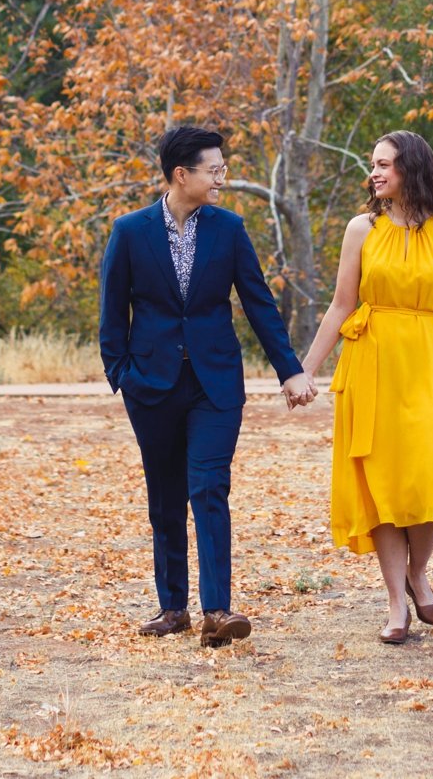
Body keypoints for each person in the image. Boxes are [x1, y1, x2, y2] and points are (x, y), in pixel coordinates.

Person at [98, 125, 316, 646]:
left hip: (216, 386)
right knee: (165, 497)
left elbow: (259, 303)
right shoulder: (129, 232)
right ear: (181, 174)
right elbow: (112, 312)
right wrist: (122, 375)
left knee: (209, 488)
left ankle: (217, 610)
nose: (222, 178)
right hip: (151, 386)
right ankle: (173, 608)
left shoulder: (229, 229)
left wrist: (289, 369)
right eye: (213, 170)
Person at [297, 130, 433, 645]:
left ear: (412, 168)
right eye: (372, 165)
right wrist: (306, 369)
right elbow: (340, 305)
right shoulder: (361, 228)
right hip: (371, 360)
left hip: (426, 360)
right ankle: (397, 603)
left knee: (429, 477)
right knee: (380, 482)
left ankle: (417, 570)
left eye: (384, 165)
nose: (374, 173)